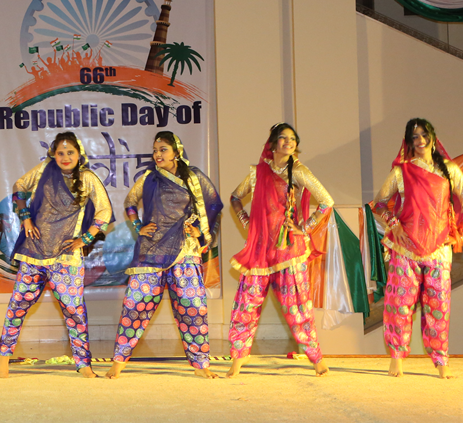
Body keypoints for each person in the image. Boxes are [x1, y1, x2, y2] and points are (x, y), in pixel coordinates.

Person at [0, 131, 113, 378]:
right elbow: (19, 186)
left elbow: (104, 211)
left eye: (70, 152)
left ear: (79, 154)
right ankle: (3, 356)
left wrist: (85, 239)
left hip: (66, 256)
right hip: (34, 252)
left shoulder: (88, 178)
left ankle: (83, 364)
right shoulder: (44, 170)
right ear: (53, 155)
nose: (65, 157)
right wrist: (25, 217)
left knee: (74, 311)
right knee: (18, 305)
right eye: (60, 153)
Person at [107, 131, 223, 379]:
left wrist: (200, 232)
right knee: (135, 306)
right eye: (155, 150)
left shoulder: (193, 177)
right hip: (151, 252)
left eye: (163, 150)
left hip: (184, 250)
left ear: (176, 152)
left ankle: (201, 364)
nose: (157, 154)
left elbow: (214, 204)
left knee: (192, 308)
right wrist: (138, 226)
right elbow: (130, 201)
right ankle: (119, 361)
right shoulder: (149, 178)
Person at [370, 118, 463, 379]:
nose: (420, 140)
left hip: (439, 249)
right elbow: (380, 203)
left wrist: (461, 231)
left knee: (438, 305)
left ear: (433, 137)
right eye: (414, 136)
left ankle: (441, 359)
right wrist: (394, 224)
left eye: (423, 134)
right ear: (408, 142)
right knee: (399, 304)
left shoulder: (449, 170)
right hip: (405, 248)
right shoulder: (402, 172)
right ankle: (396, 357)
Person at [226, 123, 333, 378]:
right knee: (245, 307)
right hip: (259, 251)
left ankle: (316, 359)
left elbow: (326, 202)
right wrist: (247, 222)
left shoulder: (299, 171)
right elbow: (235, 197)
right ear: (273, 143)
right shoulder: (257, 173)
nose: (289, 142)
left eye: (293, 138)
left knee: (298, 308)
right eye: (283, 138)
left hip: (288, 251)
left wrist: (304, 228)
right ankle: (238, 359)